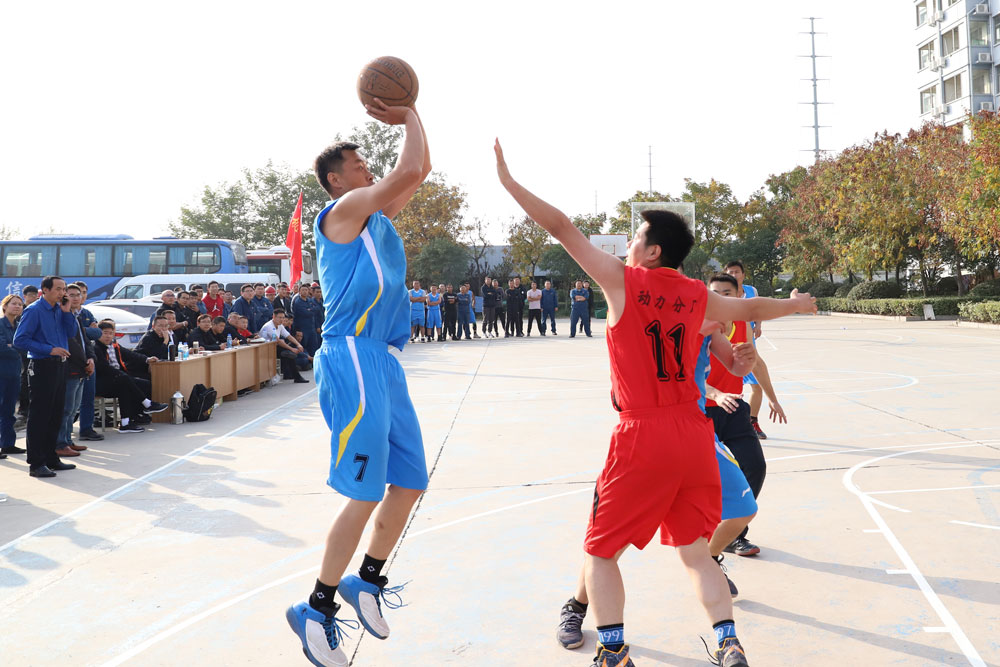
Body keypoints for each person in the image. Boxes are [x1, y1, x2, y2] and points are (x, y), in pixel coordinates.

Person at [495, 140, 816, 667]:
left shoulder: (623, 281)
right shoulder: (697, 296)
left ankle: (613, 650)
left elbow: (561, 226)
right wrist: (796, 305)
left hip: (643, 434)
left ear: (651, 251)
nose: (627, 244)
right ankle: (728, 641)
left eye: (635, 237)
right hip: (694, 434)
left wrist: (509, 183)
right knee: (696, 553)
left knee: (601, 551)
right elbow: (752, 306)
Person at [285, 100, 432, 667]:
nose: (368, 168)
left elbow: (418, 169)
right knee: (366, 490)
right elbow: (409, 169)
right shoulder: (342, 213)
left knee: (410, 481)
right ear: (335, 180)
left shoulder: (378, 218)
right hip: (350, 354)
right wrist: (408, 110)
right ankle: (315, 609)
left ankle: (366, 580)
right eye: (358, 163)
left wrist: (412, 116)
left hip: (385, 360)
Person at [555, 317, 761, 650]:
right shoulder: (636, 312)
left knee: (742, 511)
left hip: (694, 436)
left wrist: (746, 347)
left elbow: (737, 361)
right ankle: (577, 605)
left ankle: (709, 562)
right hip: (647, 436)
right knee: (609, 547)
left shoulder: (701, 312)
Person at [704, 274, 786, 560]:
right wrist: (715, 394)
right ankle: (704, 538)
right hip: (702, 411)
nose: (720, 298)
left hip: (734, 409)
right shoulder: (697, 326)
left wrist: (772, 398)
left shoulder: (742, 324)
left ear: (740, 296)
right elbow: (685, 375)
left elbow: (756, 363)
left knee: (755, 466)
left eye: (727, 293)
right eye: (715, 293)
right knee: (703, 480)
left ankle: (732, 534)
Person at [12, 276, 81, 478]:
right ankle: (36, 463)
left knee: (56, 414)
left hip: (61, 366)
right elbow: (20, 340)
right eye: (58, 289)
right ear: (45, 289)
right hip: (42, 366)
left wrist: (67, 312)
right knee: (40, 416)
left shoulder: (60, 309)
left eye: (64, 289)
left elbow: (71, 332)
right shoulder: (34, 310)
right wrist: (49, 349)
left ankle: (51, 458)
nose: (62, 293)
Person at [724, 261, 770, 440]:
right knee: (728, 389)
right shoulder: (721, 294)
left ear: (743, 275)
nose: (734, 275)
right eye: (730, 272)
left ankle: (752, 422)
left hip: (748, 344)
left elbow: (758, 311)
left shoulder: (751, 291)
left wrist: (758, 325)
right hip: (727, 346)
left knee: (757, 386)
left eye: (737, 272)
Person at [93, 320, 167, 433]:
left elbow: (131, 354)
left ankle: (128, 421)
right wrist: (121, 375)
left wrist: (147, 359)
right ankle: (147, 404)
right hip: (102, 383)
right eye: (105, 333)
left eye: (110, 333)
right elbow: (104, 368)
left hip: (118, 380)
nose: (108, 336)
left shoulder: (114, 345)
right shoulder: (96, 347)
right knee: (125, 380)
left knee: (144, 384)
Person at [56, 284, 95, 455]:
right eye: (71, 295)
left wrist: (91, 358)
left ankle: (68, 440)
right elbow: (71, 344)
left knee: (73, 409)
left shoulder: (77, 317)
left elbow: (86, 342)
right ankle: (60, 443)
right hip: (71, 367)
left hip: (82, 368)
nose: (75, 298)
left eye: (78, 295)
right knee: (65, 409)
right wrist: (85, 362)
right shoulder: (61, 317)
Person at [72, 281, 104, 443]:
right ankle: (64, 435)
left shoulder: (86, 313)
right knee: (70, 400)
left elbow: (98, 333)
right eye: (74, 294)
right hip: (71, 361)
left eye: (82, 293)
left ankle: (86, 428)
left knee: (88, 397)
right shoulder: (64, 313)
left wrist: (84, 330)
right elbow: (72, 334)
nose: (79, 297)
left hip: (88, 358)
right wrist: (85, 329)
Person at [0, 295, 26, 456]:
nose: (17, 306)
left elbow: (25, 346)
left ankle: (8, 444)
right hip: (1, 373)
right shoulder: (0, 324)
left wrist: (13, 346)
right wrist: (15, 347)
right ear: (4, 306)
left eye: (20, 304)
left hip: (14, 374)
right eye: (13, 304)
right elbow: (2, 347)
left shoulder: (20, 326)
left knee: (9, 411)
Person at [260, 309, 309, 383]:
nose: (281, 320)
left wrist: (298, 344)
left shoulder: (280, 325)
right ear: (274, 317)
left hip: (274, 347)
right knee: (288, 353)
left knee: (289, 354)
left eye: (283, 318)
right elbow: (278, 341)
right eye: (279, 317)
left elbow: (288, 336)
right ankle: (294, 376)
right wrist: (292, 349)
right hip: (265, 349)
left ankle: (293, 375)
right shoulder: (269, 326)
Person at [15, 286, 38, 428]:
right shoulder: (22, 312)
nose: (33, 297)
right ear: (25, 296)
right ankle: (23, 410)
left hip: (35, 352)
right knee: (25, 380)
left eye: (35, 295)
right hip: (23, 353)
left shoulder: (38, 310)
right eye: (31, 295)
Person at [292, 283, 317, 354]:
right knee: (304, 346)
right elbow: (306, 313)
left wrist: (310, 310)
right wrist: (311, 310)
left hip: (311, 327)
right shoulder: (298, 302)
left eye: (306, 290)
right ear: (299, 292)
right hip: (302, 328)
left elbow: (317, 308)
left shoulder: (309, 300)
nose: (305, 291)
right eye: (303, 290)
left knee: (313, 346)